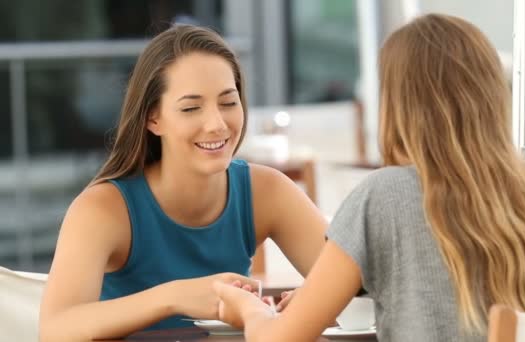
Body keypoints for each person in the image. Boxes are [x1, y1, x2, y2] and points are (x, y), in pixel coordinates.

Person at [213, 14, 525, 342]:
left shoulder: (384, 197)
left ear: (398, 106)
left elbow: (282, 339)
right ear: (491, 94)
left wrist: (247, 308)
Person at [39, 25, 327, 341]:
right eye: (191, 108)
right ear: (153, 118)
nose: (217, 124)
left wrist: (321, 298)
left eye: (229, 102)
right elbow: (55, 329)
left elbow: (360, 280)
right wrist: (173, 297)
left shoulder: (267, 190)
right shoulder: (102, 209)